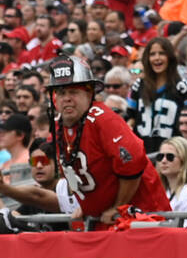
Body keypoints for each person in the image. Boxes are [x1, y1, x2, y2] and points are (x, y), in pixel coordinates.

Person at [46, 56, 170, 227]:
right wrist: (87, 206)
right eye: (61, 92)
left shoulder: (103, 120)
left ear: (89, 93)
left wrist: (118, 206)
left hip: (140, 216)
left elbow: (132, 163)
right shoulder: (60, 129)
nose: (66, 98)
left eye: (73, 91)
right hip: (104, 219)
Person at [128, 37, 187, 153]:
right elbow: (130, 116)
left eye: (162, 53)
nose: (157, 58)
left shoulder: (182, 87)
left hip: (173, 155)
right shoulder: (139, 86)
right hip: (144, 155)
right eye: (152, 54)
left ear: (170, 57)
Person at [154, 137, 187, 213]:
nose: (163, 161)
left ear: (184, 160)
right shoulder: (162, 191)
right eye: (160, 157)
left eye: (170, 157)